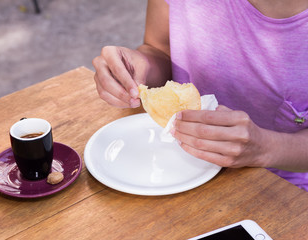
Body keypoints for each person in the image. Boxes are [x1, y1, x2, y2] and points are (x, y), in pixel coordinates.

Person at [92, 0, 308, 191]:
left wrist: (266, 148)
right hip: (173, 165)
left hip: (281, 188)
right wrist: (140, 68)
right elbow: (159, 48)